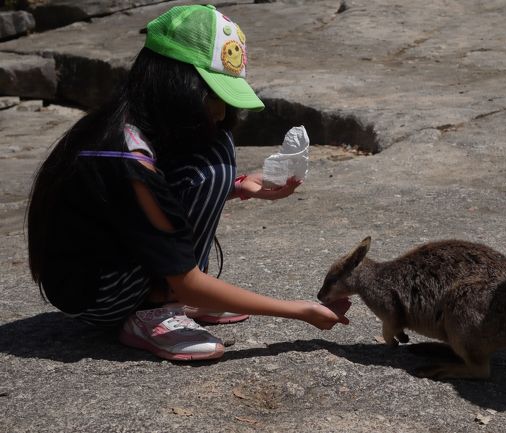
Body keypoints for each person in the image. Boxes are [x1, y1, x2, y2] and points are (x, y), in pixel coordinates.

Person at [26, 4, 350, 361]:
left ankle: (168, 297)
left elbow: (145, 204)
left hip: (115, 260)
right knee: (210, 164)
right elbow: (186, 275)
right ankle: (152, 310)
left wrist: (239, 185)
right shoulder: (125, 155)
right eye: (212, 94)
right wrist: (300, 311)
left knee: (217, 147)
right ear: (174, 80)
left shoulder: (137, 122)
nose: (221, 110)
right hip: (96, 295)